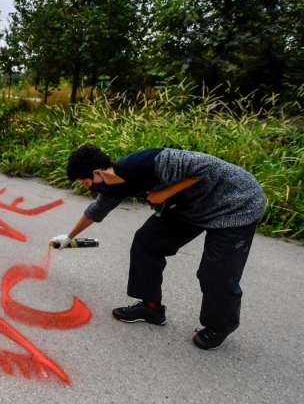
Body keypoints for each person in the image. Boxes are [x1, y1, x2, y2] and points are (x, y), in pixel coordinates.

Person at [53, 145, 265, 350]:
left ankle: (219, 326)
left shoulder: (151, 162)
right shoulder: (113, 186)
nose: (86, 186)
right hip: (191, 208)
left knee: (216, 273)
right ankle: (151, 307)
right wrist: (69, 237)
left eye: (85, 181)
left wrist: (164, 194)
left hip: (236, 205)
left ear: (97, 172)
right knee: (147, 241)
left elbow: (209, 167)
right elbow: (96, 211)